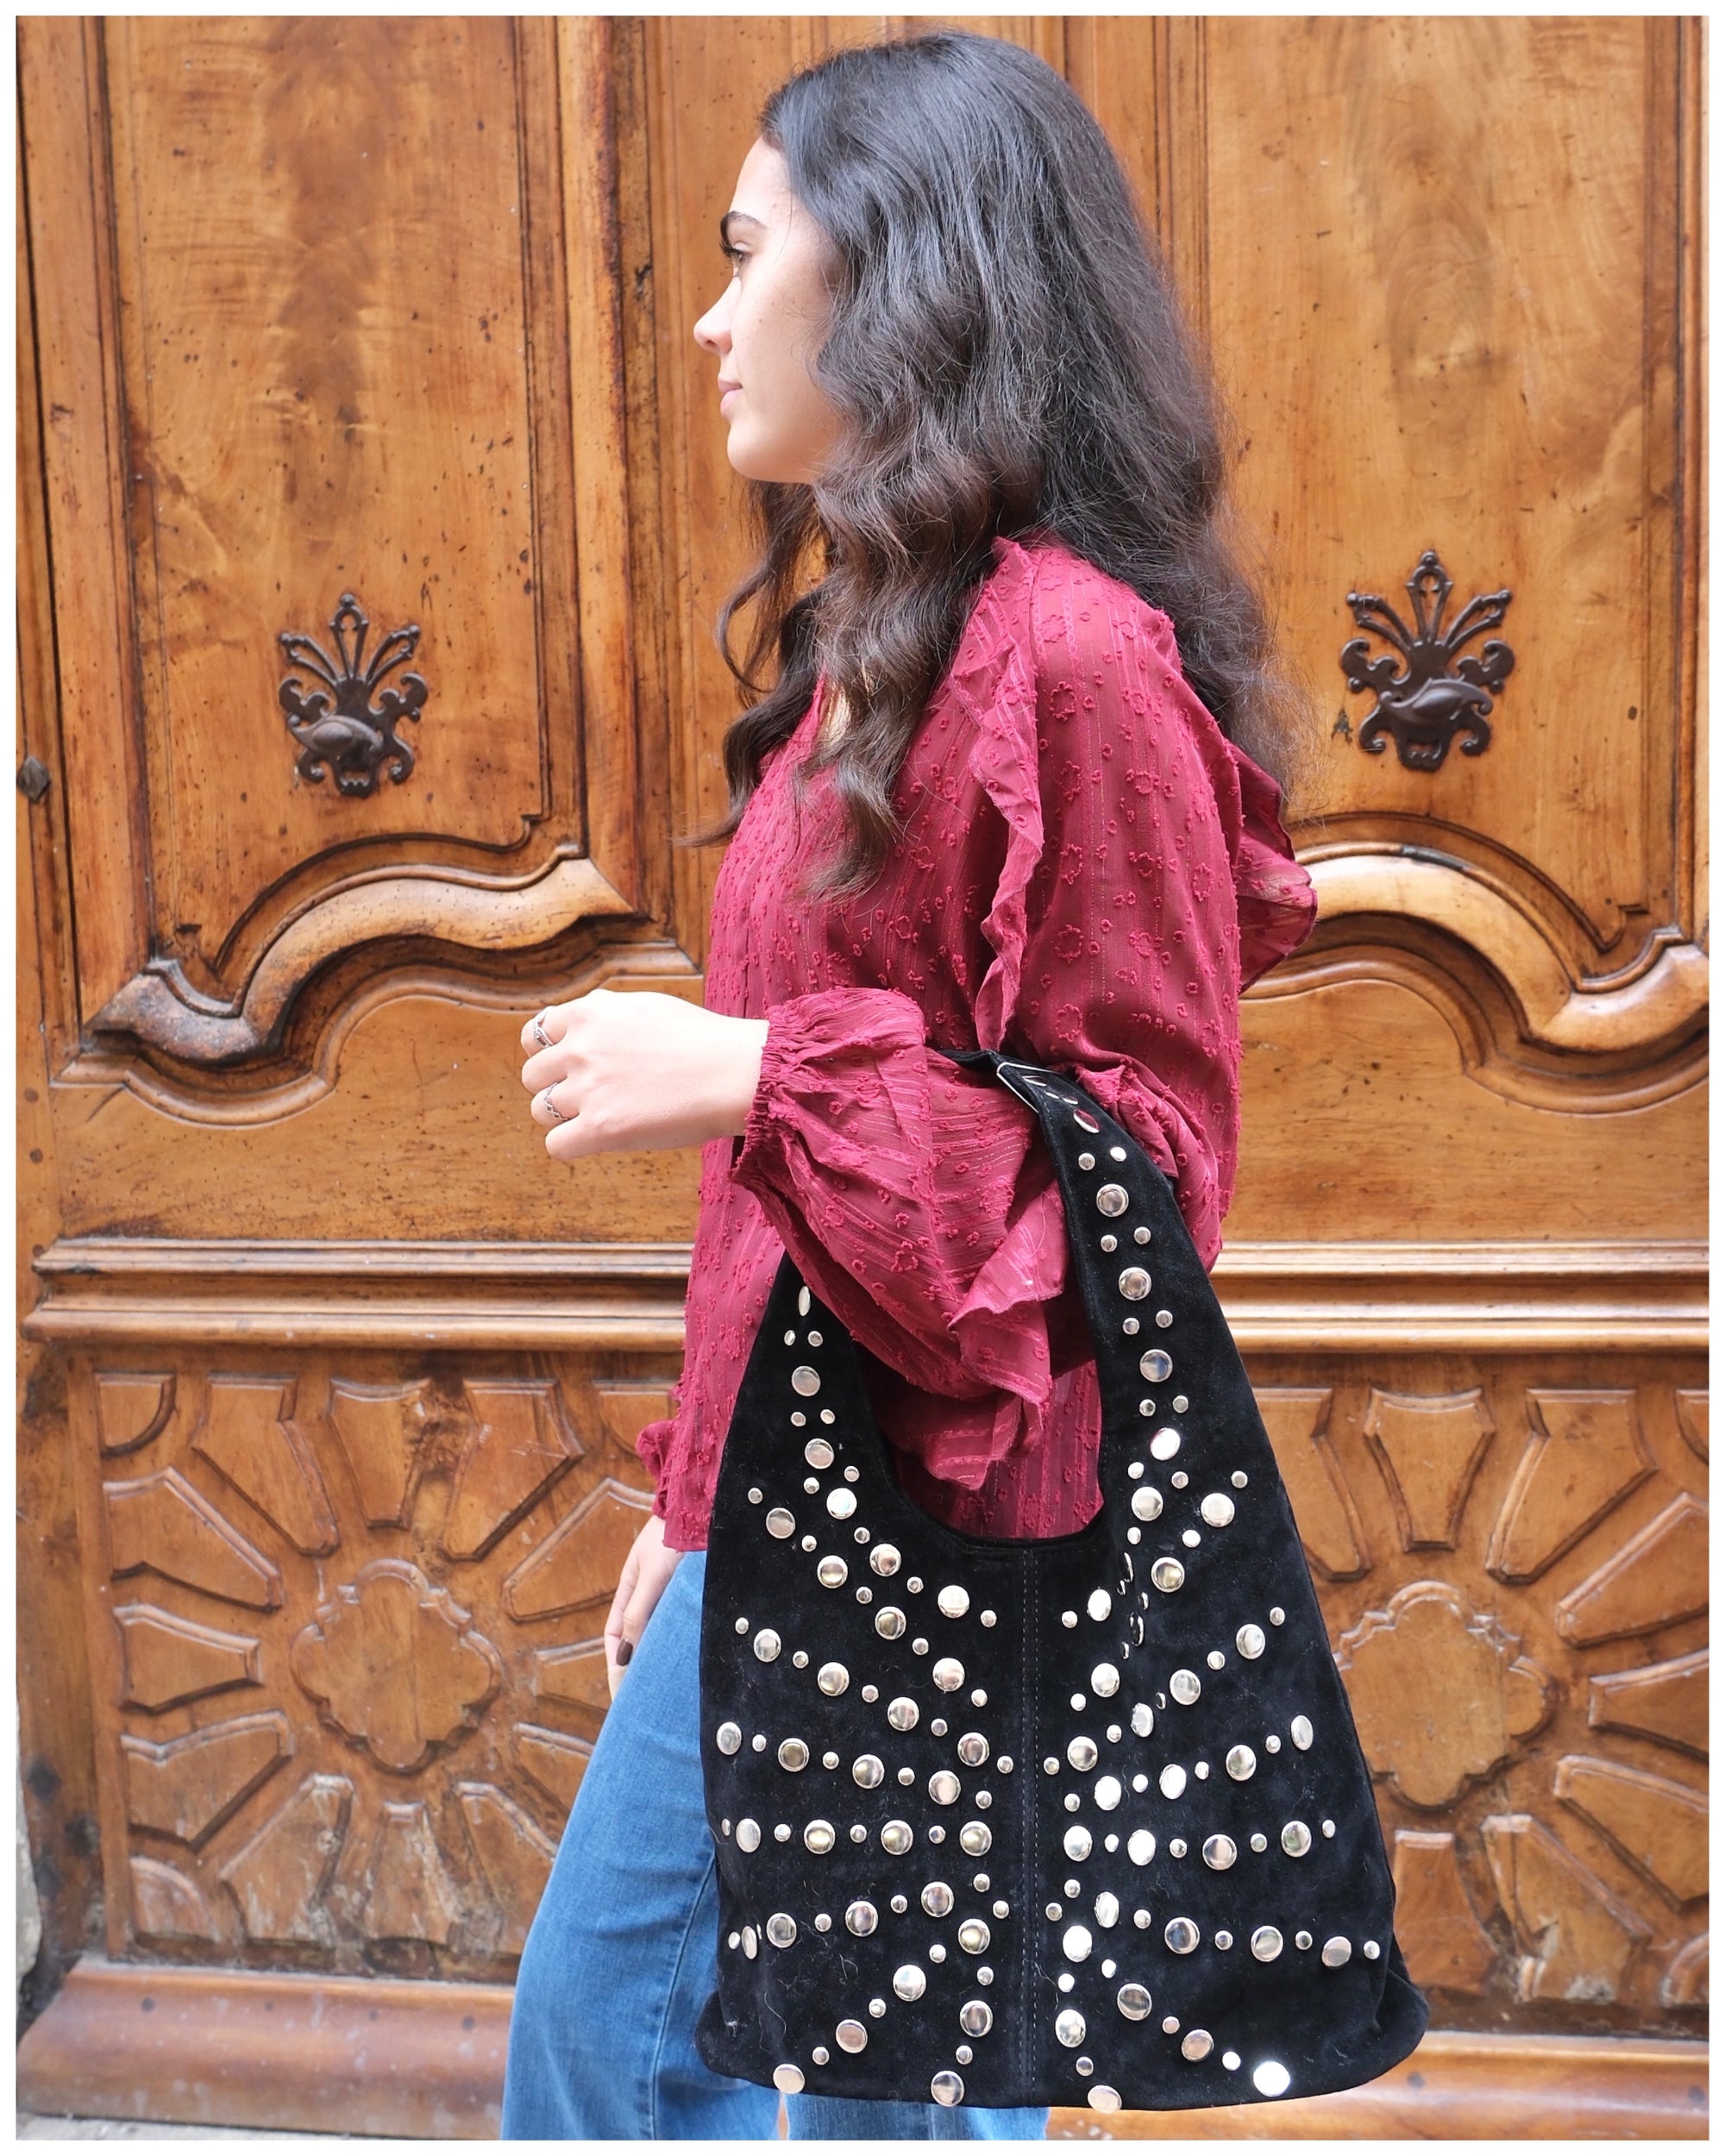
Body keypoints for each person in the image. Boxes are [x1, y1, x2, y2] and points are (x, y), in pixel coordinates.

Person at [501, 30, 1316, 2141]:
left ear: (902, 276)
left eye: (745, 249)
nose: (707, 318)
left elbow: (1146, 1171)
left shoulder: (1073, 656)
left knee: (839, 2091)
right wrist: (692, 1502)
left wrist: (757, 1065)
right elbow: (785, 1205)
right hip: (794, 1504)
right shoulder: (881, 634)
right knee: (628, 2046)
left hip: (956, 1538)